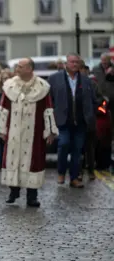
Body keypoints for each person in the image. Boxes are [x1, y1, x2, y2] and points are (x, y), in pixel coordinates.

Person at [0, 58, 58, 207]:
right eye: (17, 66)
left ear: (29, 69)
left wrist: (49, 131)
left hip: (34, 133)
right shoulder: (9, 86)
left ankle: (32, 196)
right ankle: (13, 190)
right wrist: (1, 129)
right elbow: (3, 109)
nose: (17, 68)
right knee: (13, 159)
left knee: (33, 162)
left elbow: (48, 111)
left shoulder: (42, 87)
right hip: (14, 131)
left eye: (20, 66)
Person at [48, 53, 95, 188]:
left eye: (77, 62)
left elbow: (92, 100)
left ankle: (74, 178)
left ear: (80, 64)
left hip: (80, 121)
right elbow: (49, 100)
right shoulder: (54, 79)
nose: (74, 64)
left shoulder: (86, 80)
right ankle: (61, 172)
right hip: (63, 120)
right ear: (66, 64)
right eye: (72, 62)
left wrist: (90, 115)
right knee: (63, 144)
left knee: (77, 150)